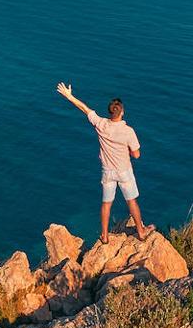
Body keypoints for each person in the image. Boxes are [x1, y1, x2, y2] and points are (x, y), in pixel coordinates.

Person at [56, 82, 151, 244]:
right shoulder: (128, 131)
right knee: (132, 201)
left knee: (106, 204)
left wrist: (69, 95)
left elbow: (84, 108)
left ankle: (105, 235)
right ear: (122, 112)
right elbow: (137, 155)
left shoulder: (101, 124)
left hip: (107, 171)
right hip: (124, 171)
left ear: (109, 113)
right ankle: (141, 232)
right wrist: (127, 150)